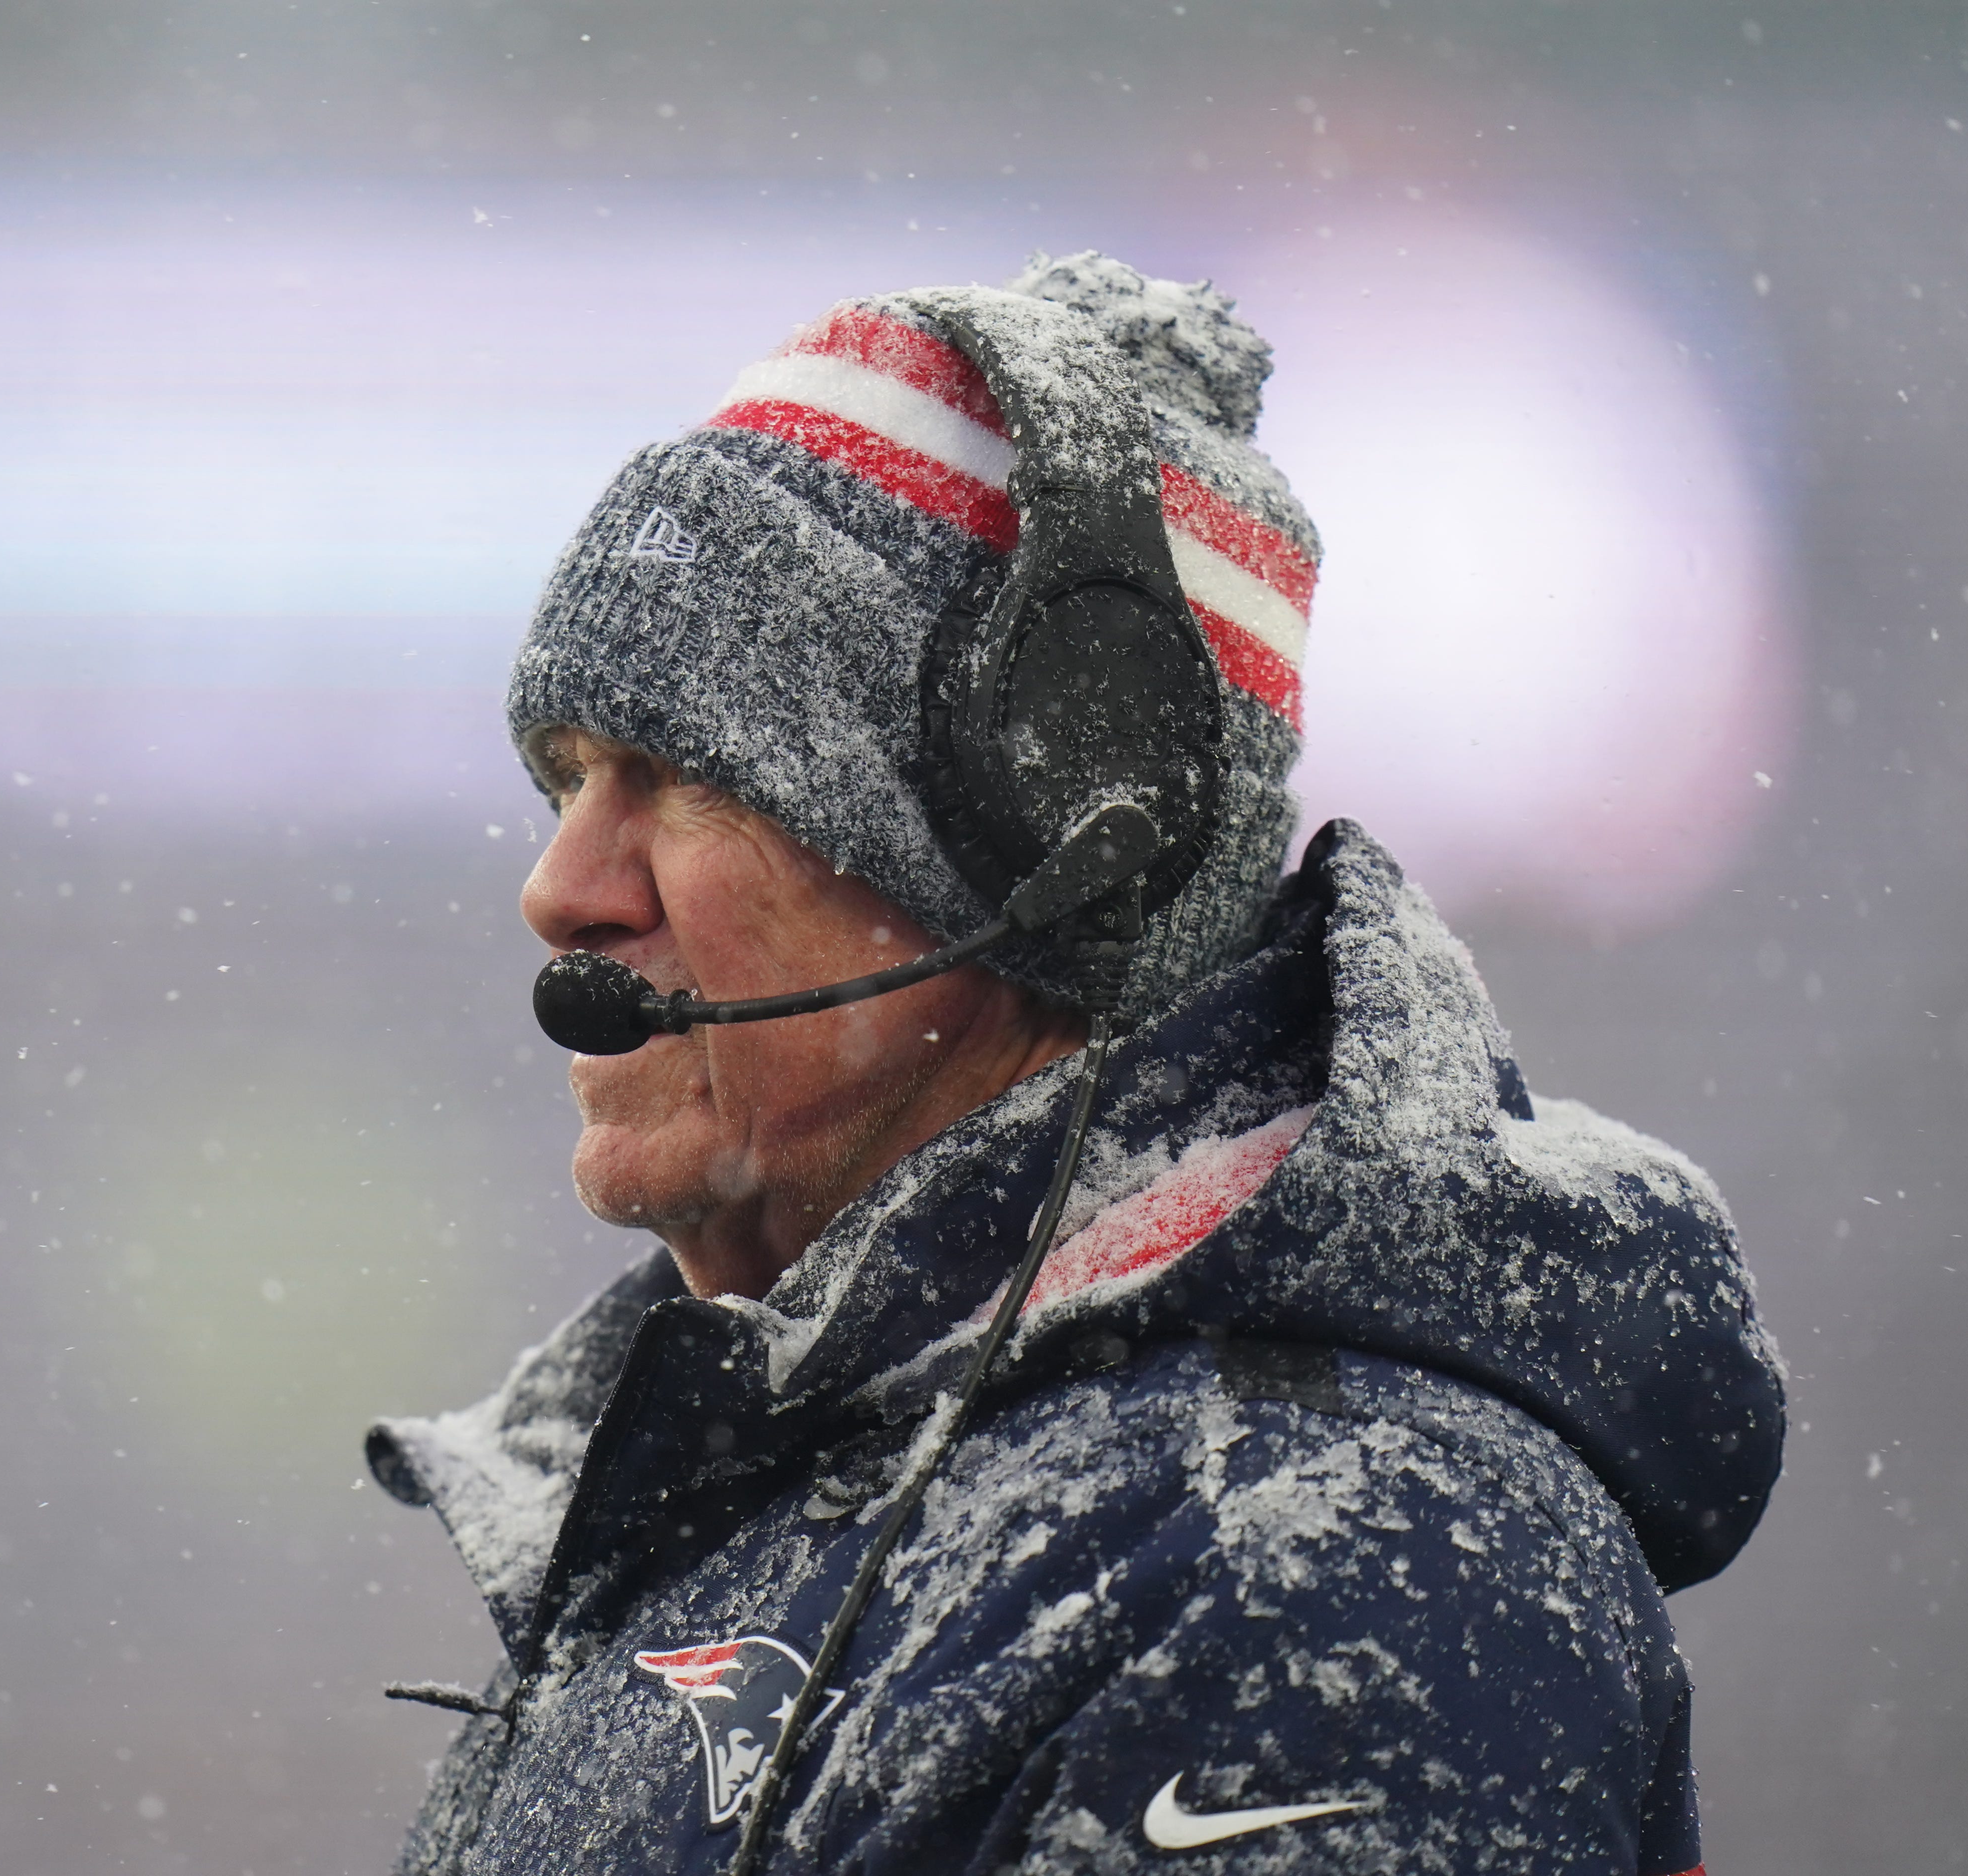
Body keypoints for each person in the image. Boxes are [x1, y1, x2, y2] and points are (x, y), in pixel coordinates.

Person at [365, 253, 1783, 1875]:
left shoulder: (1307, 1561)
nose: (564, 886)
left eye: (686, 781)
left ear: (1063, 843)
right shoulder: (769, 1512)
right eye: (565, 780)